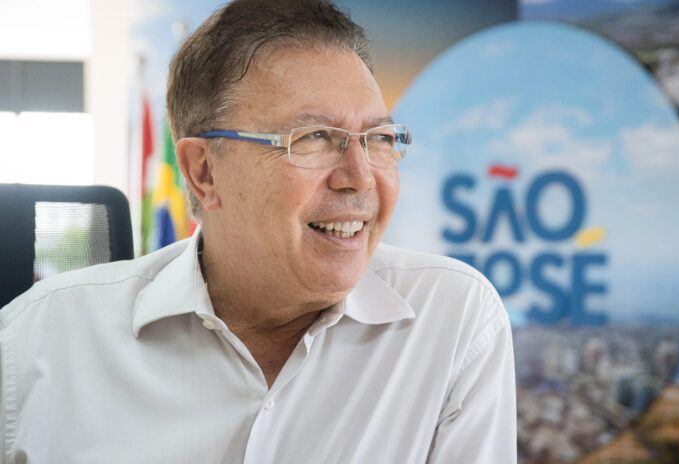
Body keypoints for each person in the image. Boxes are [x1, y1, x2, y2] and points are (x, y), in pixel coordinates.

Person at [0, 0, 516, 462]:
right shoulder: (35, 346)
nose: (360, 178)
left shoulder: (452, 320)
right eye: (315, 137)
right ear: (204, 171)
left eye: (378, 138)